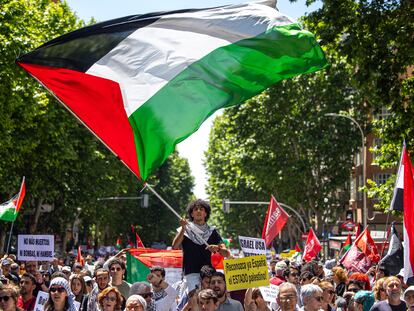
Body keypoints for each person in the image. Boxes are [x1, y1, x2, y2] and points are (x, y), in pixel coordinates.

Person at [172, 199, 230, 290]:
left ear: (205, 213)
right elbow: (174, 246)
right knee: (195, 298)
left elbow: (226, 253)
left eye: (201, 209)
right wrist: (183, 228)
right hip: (191, 273)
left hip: (208, 274)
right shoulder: (185, 230)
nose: (198, 211)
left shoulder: (212, 231)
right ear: (191, 214)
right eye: (195, 209)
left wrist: (217, 248)